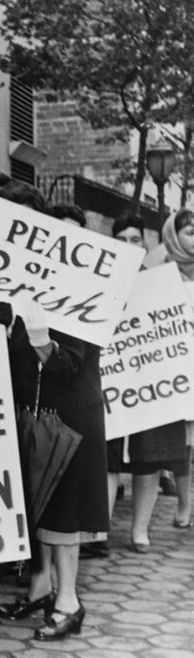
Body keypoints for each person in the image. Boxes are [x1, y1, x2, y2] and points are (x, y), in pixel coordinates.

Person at [0, 204, 109, 640]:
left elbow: (67, 367)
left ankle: (69, 601)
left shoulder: (88, 299)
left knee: (64, 511)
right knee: (39, 505)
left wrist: (39, 336)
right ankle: (41, 589)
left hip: (70, 422)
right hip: (36, 416)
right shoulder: (29, 291)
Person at [93, 213, 190, 554]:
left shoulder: (161, 280)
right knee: (108, 457)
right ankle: (100, 530)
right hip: (112, 381)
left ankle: (139, 530)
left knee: (150, 456)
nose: (129, 245)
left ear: (145, 244)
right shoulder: (98, 278)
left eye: (135, 240)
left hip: (151, 382)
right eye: (122, 239)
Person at [162, 207, 194, 529]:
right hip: (178, 368)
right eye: (190, 232)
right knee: (184, 445)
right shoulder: (161, 271)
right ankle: (185, 504)